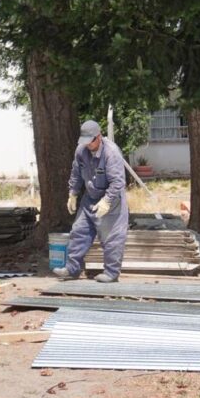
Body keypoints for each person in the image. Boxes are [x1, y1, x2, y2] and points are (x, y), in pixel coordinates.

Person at [53, 119, 129, 283]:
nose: (88, 145)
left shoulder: (111, 153)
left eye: (91, 141)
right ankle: (72, 269)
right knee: (78, 231)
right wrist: (73, 193)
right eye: (85, 141)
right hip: (90, 198)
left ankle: (111, 274)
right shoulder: (81, 150)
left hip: (112, 200)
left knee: (111, 237)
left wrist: (107, 201)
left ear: (99, 137)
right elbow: (76, 173)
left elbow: (118, 182)